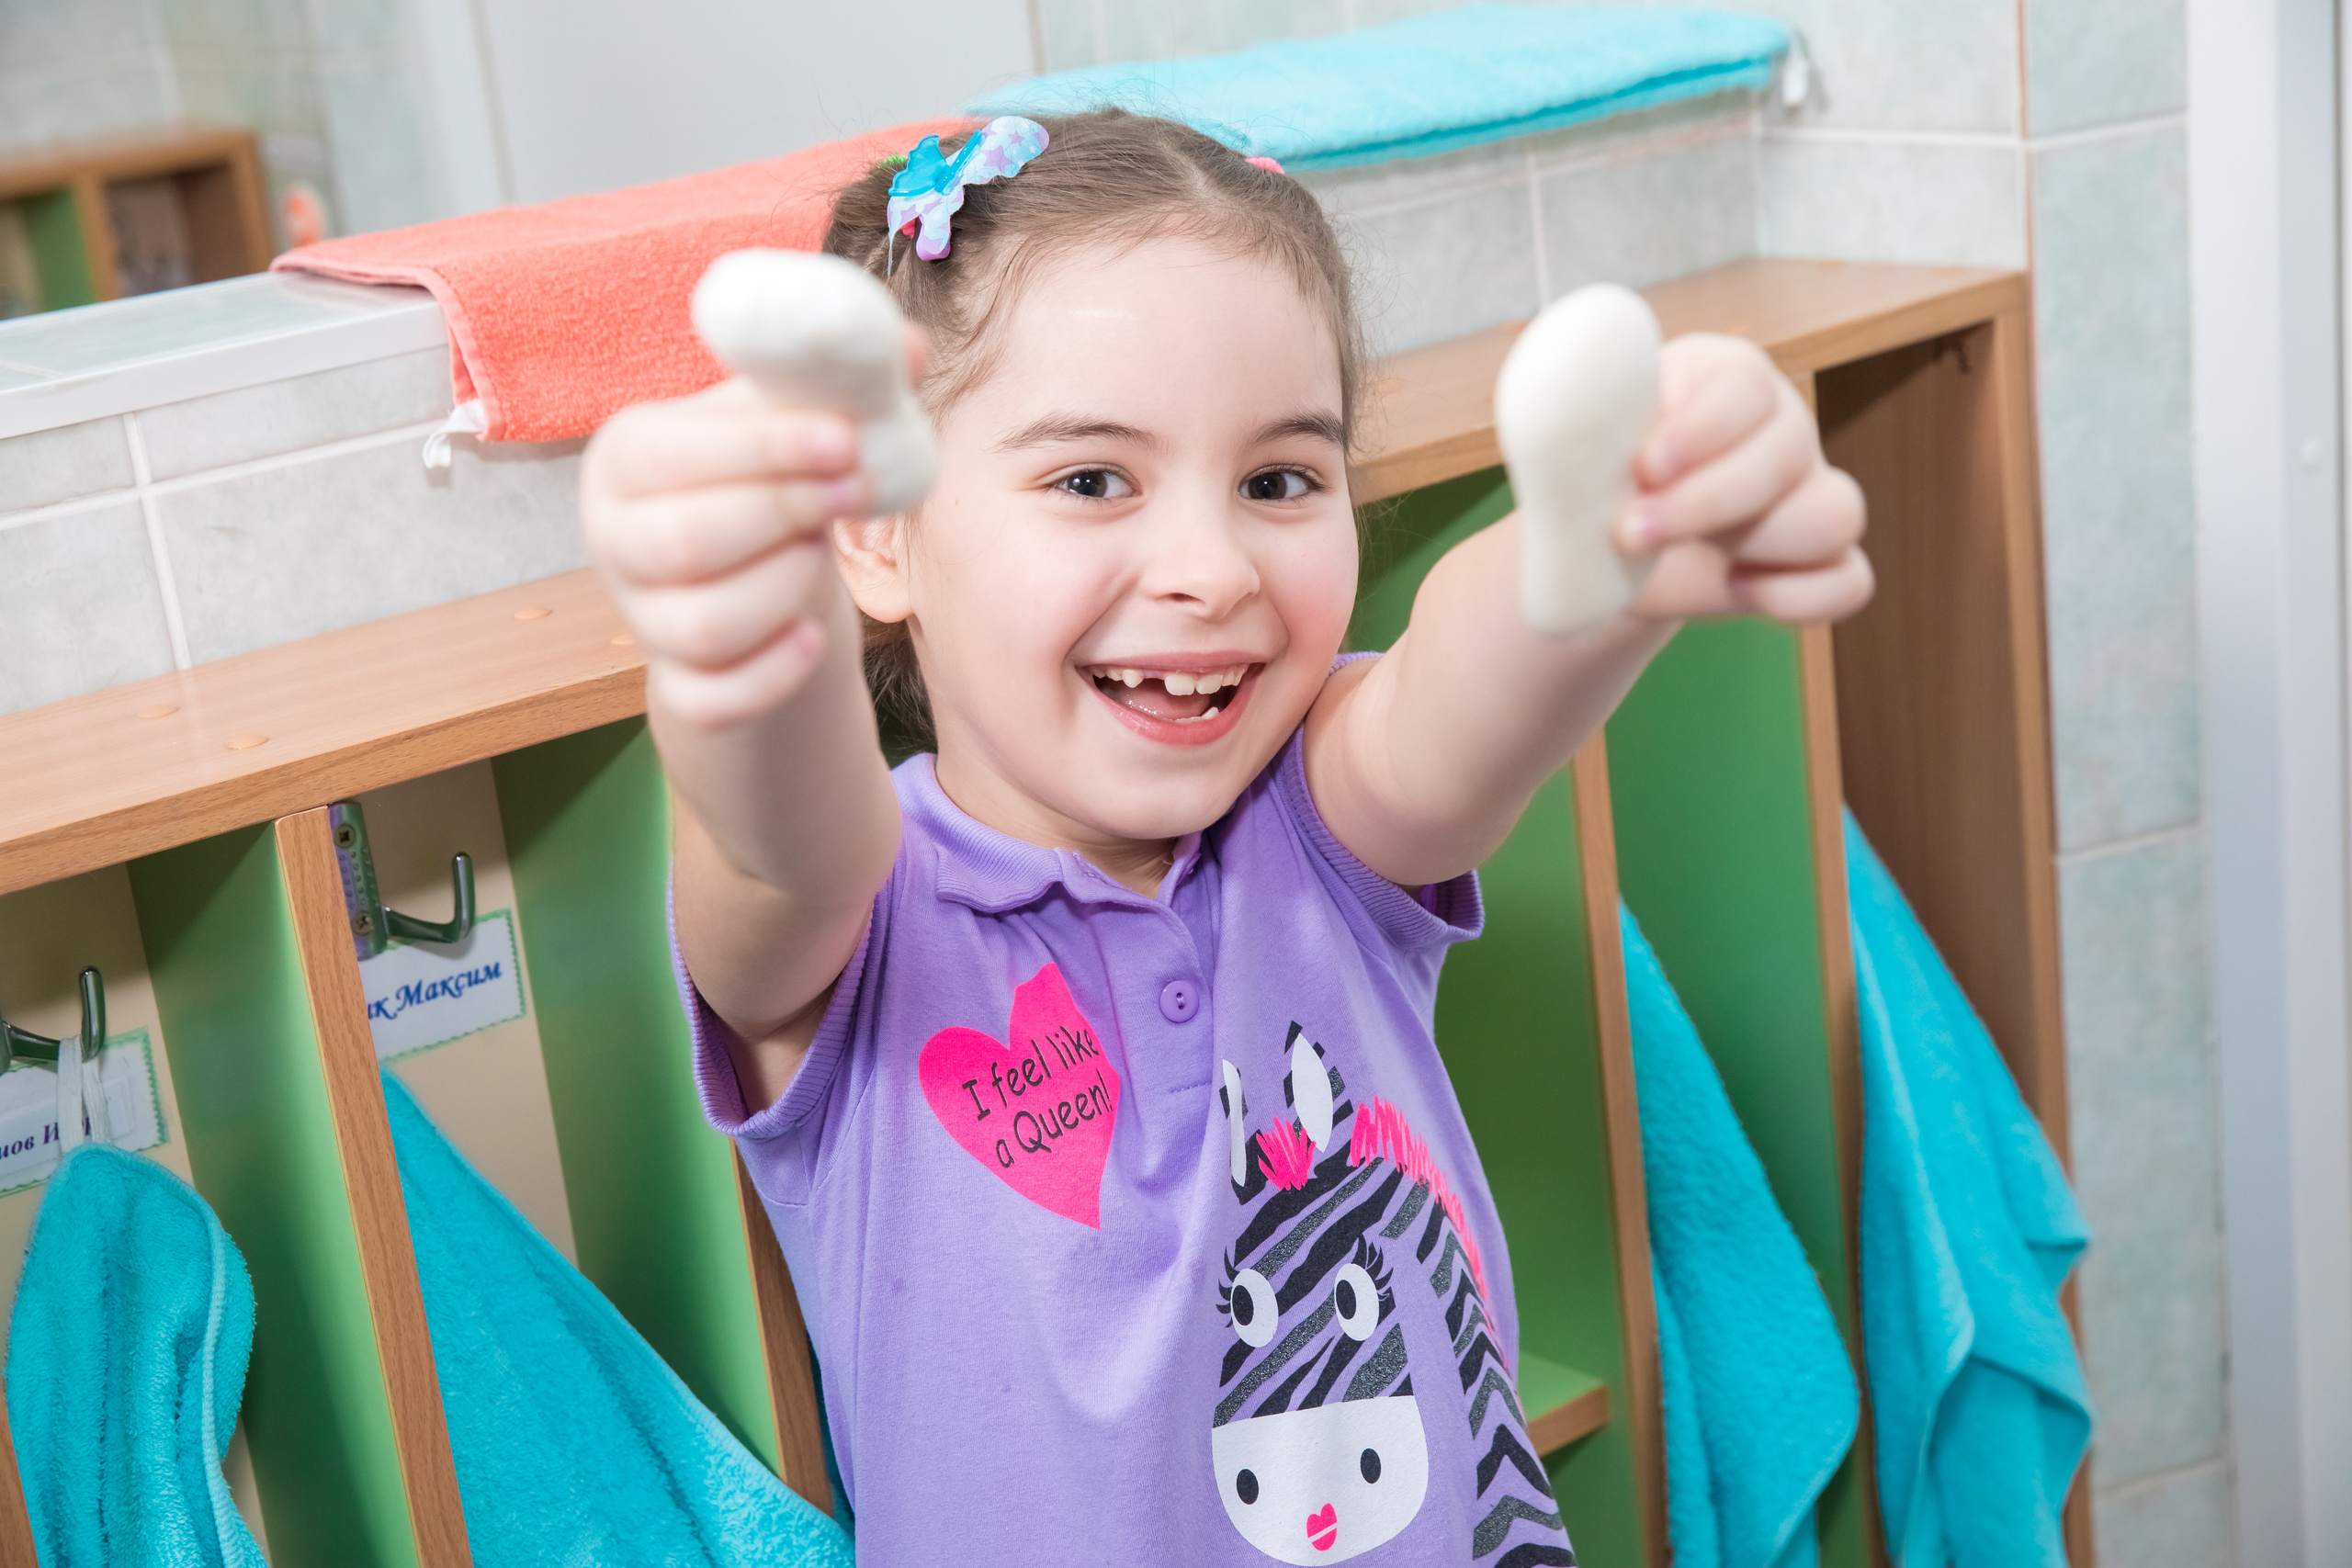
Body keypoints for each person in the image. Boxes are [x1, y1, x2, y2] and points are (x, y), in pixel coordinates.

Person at [580, 109, 1868, 1565]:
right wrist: (754, 644)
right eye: (1092, 480)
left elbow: (1460, 692)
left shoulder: (1317, 827)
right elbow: (784, 843)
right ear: (880, 533)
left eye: (1278, 482)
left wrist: (1601, 561)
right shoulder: (862, 927)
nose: (1210, 570)